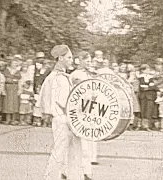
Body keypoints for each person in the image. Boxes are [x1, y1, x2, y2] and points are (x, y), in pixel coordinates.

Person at [43, 45, 88, 180]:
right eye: (69, 57)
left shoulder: (58, 76)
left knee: (70, 150)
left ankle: (67, 175)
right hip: (64, 118)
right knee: (61, 151)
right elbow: (63, 102)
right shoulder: (60, 78)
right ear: (60, 58)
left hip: (63, 118)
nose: (71, 60)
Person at [70, 51, 95, 179]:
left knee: (87, 144)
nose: (89, 63)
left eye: (90, 61)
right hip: (79, 111)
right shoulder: (75, 75)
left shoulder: (90, 74)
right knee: (79, 144)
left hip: (89, 110)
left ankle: (86, 171)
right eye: (86, 60)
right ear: (79, 60)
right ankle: (80, 171)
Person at [138, 64, 158, 131]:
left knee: (149, 110)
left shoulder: (151, 77)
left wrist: (148, 87)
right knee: (142, 110)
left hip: (150, 96)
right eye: (146, 69)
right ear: (143, 70)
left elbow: (154, 87)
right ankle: (142, 125)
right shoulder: (140, 77)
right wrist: (149, 87)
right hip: (143, 96)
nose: (148, 70)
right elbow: (141, 87)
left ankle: (147, 126)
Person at [2, 58, 22, 125]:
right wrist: (3, 89)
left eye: (16, 63)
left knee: (14, 103)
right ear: (10, 63)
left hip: (15, 88)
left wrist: (19, 89)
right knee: (7, 103)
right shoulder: (6, 70)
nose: (15, 64)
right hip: (7, 87)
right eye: (14, 63)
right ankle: (8, 119)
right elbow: (3, 80)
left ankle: (13, 119)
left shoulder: (18, 71)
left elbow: (19, 81)